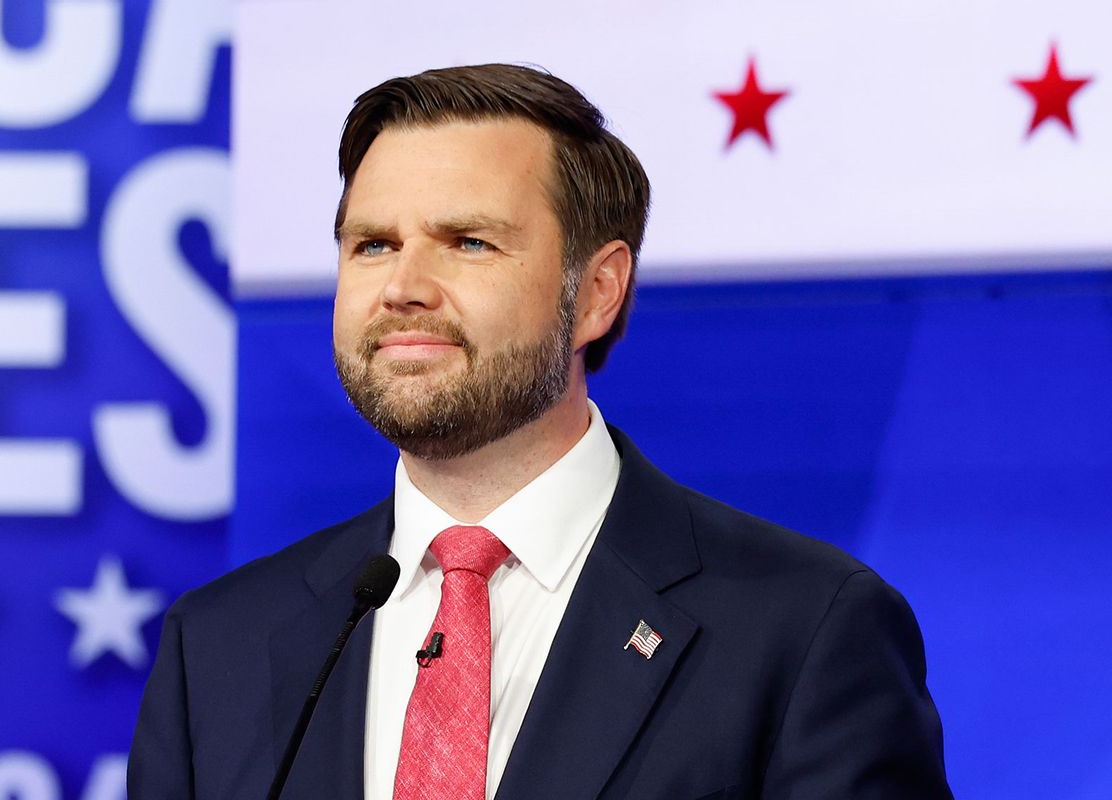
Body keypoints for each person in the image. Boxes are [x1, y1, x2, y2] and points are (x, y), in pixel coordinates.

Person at [128, 64, 952, 799]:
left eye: (470, 242)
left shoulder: (802, 630)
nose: (404, 287)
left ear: (597, 292)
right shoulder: (218, 647)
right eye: (372, 244)